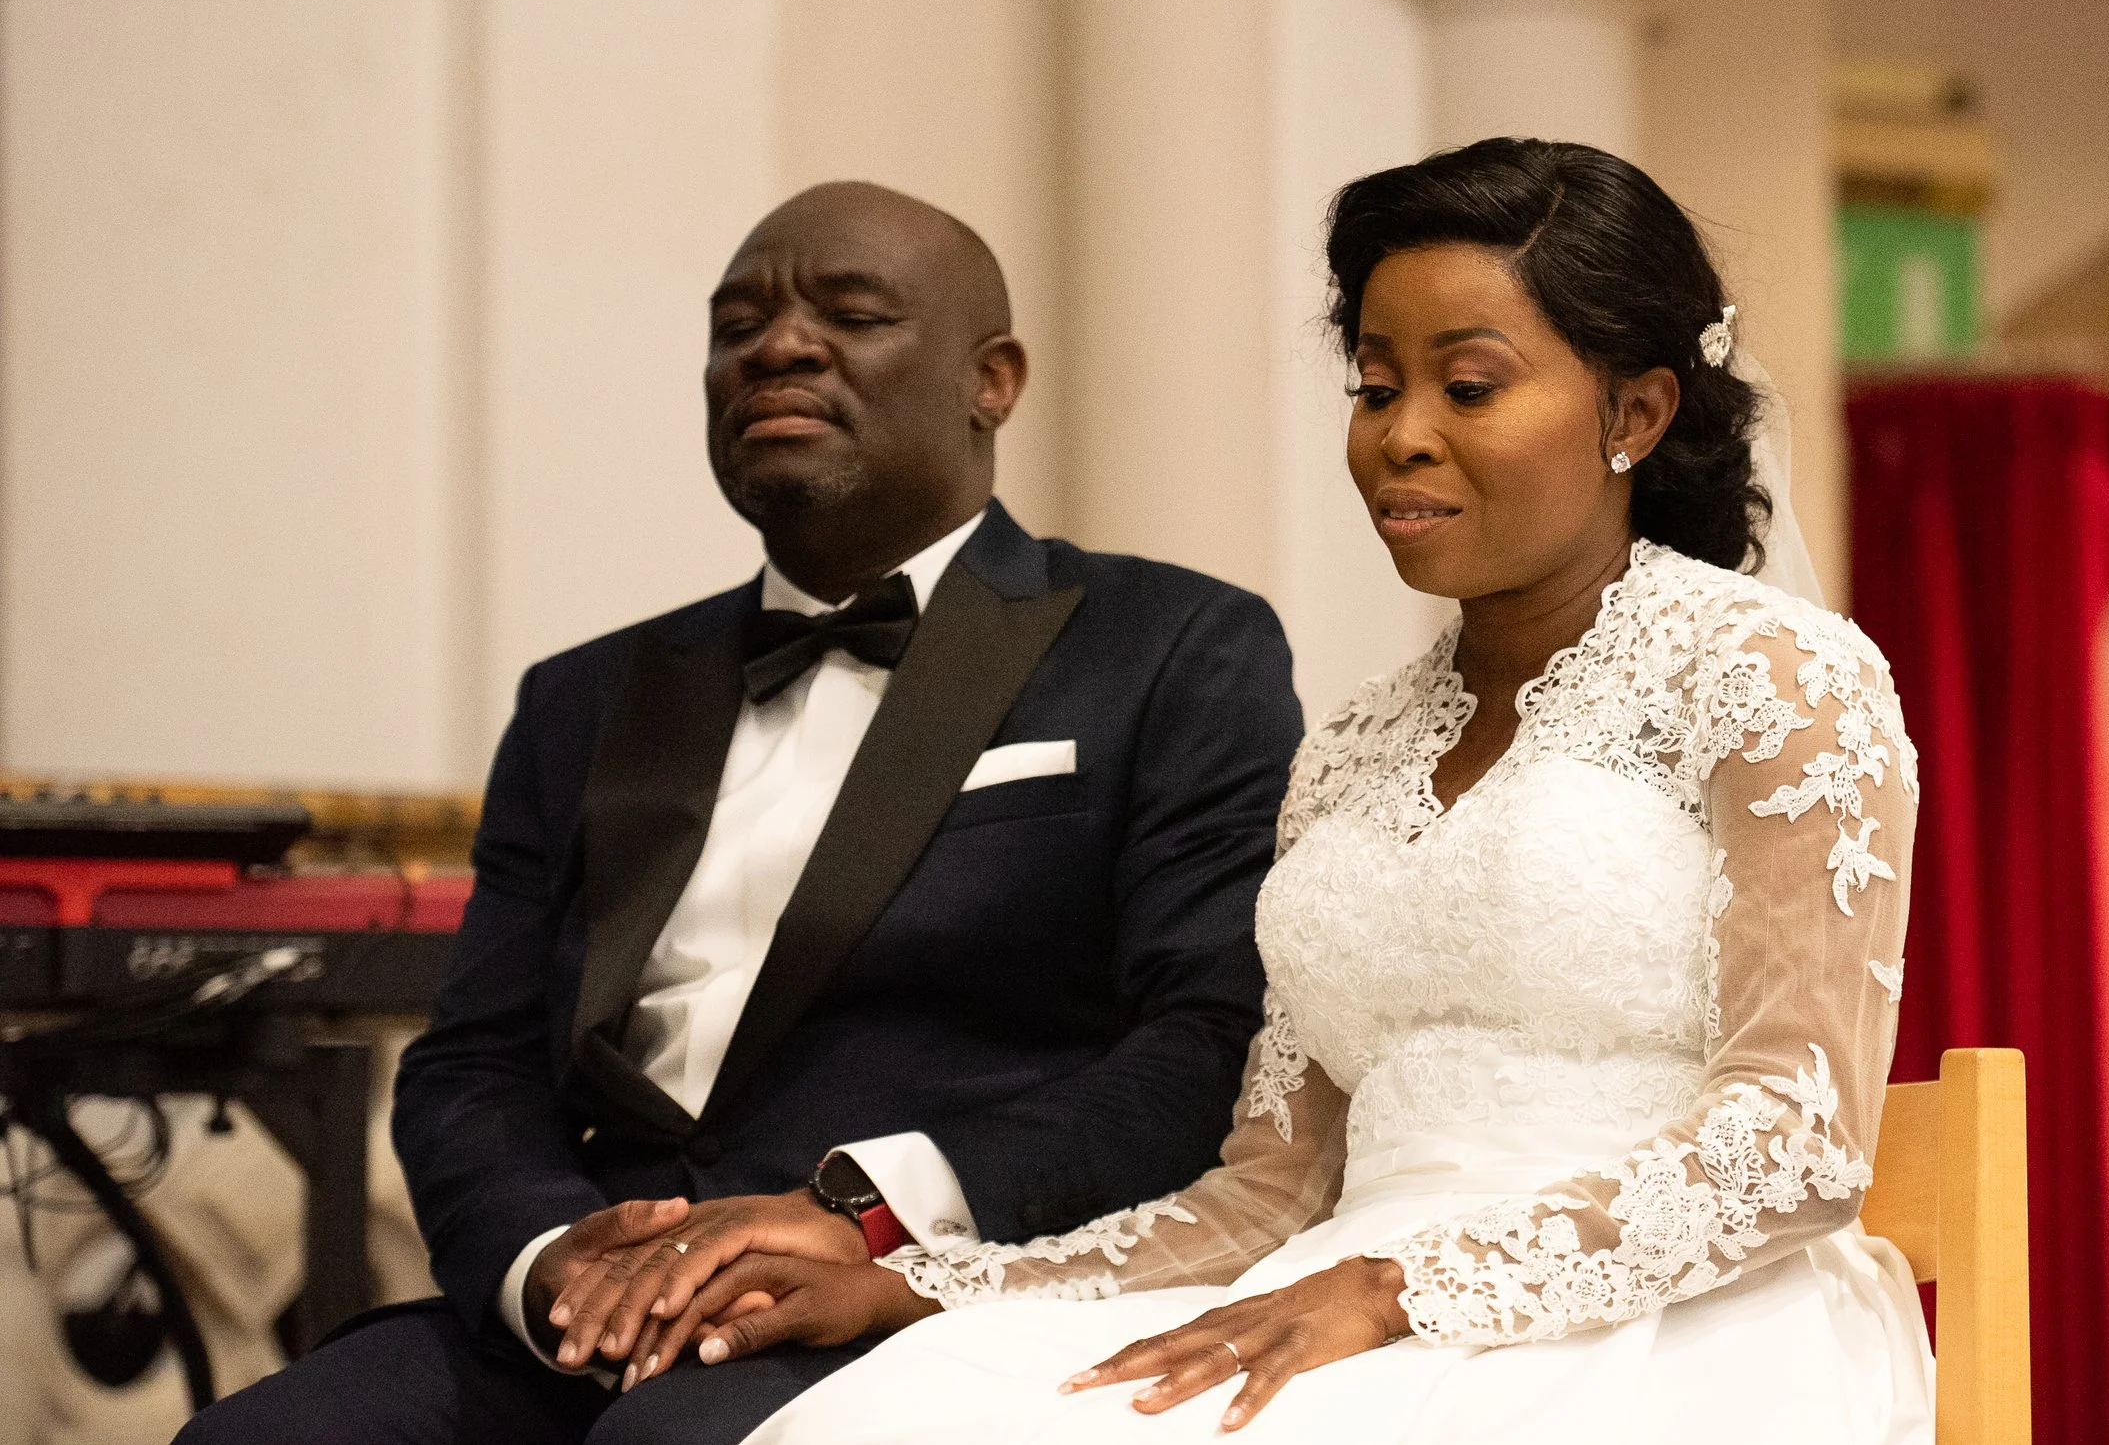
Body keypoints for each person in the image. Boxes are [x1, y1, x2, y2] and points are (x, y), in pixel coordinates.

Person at [651, 138, 1931, 1443]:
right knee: (888, 1416)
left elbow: (1796, 1141)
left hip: (1667, 1324)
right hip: (1325, 1297)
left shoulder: (1773, 679)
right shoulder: (1354, 746)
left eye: (1468, 387)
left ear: (1635, 414)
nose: (1401, 438)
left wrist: (1398, 1289)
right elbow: (1266, 1196)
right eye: (1375, 388)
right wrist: (915, 1285)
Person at [174, 182, 1303, 1445]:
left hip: (916, 1288)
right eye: (736, 325)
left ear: (991, 381)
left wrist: (864, 1210)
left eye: (851, 314)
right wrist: (551, 1258)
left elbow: (1208, 1039)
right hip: (595, 1302)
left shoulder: (1168, 646)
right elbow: (473, 1062)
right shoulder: (585, 697)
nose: (777, 346)